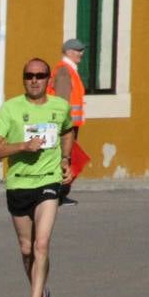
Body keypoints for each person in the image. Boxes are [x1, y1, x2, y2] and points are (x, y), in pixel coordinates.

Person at [0, 58, 74, 297]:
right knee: (26, 250)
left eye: (40, 75)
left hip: (48, 182)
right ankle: (41, 290)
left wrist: (66, 159)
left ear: (48, 79)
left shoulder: (60, 107)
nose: (34, 80)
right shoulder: (11, 109)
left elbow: (68, 130)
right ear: (24, 79)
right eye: (29, 76)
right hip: (19, 183)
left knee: (41, 243)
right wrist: (22, 146)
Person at [48, 38, 86, 204]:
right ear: (69, 52)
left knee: (69, 157)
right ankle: (59, 194)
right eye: (78, 51)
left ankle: (60, 193)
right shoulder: (65, 71)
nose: (81, 54)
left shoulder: (68, 70)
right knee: (65, 158)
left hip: (68, 124)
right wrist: (64, 126)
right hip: (66, 126)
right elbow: (62, 101)